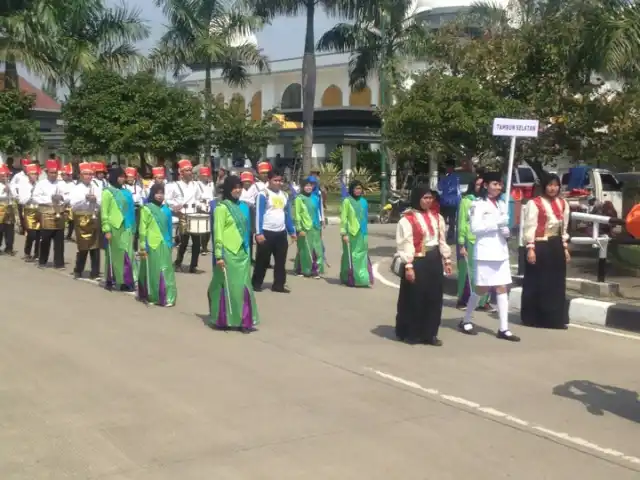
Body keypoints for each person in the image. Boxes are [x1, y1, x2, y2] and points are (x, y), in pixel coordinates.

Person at [459, 171, 520, 342]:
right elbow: (475, 229)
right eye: (495, 184)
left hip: (500, 251)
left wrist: (506, 231)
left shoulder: (502, 204)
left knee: (502, 288)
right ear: (486, 185)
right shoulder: (477, 205)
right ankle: (466, 319)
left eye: (500, 184)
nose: (498, 187)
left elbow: (503, 230)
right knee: (481, 289)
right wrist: (496, 224)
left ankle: (504, 328)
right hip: (485, 252)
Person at [395, 186, 453, 345]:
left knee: (434, 296)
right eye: (425, 198)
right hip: (417, 260)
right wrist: (408, 265)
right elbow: (404, 244)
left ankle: (430, 333)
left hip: (434, 259)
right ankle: (411, 332)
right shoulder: (407, 219)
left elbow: (442, 240)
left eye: (430, 198)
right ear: (417, 198)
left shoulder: (437, 218)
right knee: (415, 296)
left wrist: (446, 259)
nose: (428, 201)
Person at [208, 175, 259, 331]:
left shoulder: (244, 207)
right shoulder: (221, 208)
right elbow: (218, 233)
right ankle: (225, 319)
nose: (238, 190)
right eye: (235, 187)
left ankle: (244, 320)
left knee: (244, 286)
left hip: (243, 253)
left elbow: (248, 231)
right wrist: (219, 255)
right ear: (229, 189)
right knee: (229, 286)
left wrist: (249, 251)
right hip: (228, 253)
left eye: (240, 187)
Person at [521, 173, 570, 329]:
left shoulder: (563, 203)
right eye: (549, 185)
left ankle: (555, 318)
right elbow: (530, 227)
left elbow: (564, 228)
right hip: (540, 245)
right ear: (543, 186)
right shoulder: (534, 203)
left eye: (555, 185)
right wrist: (530, 248)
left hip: (556, 245)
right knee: (538, 282)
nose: (552, 188)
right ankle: (534, 317)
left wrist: (565, 248)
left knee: (556, 283)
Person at [252, 169, 296, 293]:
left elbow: (287, 215)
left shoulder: (284, 195)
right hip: (266, 232)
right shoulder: (263, 194)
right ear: (269, 180)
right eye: (275, 180)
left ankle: (279, 285)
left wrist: (292, 231)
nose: (278, 183)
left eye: (279, 180)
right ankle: (256, 283)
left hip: (280, 233)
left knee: (281, 261)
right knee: (263, 260)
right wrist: (258, 232)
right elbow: (259, 214)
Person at [456, 175, 493, 311]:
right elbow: (461, 223)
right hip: (470, 240)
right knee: (468, 271)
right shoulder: (466, 201)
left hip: (486, 241)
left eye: (483, 185)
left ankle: (483, 302)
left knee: (485, 271)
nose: (481, 188)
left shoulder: (489, 202)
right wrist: (461, 243)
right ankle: (463, 300)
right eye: (478, 185)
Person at [138, 183, 177, 307]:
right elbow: (143, 227)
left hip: (165, 243)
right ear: (152, 194)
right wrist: (143, 244)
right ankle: (154, 296)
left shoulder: (166, 210)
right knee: (154, 270)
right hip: (152, 244)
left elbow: (170, 227)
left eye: (162, 193)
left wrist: (170, 242)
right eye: (157, 193)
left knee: (166, 269)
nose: (160, 196)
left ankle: (169, 297)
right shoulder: (147, 209)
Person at [101, 167, 137, 291]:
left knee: (128, 253)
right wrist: (106, 229)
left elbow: (131, 210)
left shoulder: (127, 192)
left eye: (124, 176)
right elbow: (104, 212)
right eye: (120, 176)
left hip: (127, 227)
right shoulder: (107, 192)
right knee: (116, 255)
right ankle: (114, 279)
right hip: (114, 227)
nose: (122, 179)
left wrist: (133, 227)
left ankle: (127, 280)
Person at [166, 159, 204, 273]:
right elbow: (167, 200)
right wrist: (174, 206)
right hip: (182, 215)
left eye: (190, 170)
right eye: (187, 170)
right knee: (184, 241)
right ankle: (178, 263)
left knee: (197, 243)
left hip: (194, 215)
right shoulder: (173, 186)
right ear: (181, 172)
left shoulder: (196, 185)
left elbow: (199, 198)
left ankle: (193, 266)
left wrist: (200, 205)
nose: (190, 172)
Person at [32, 159, 68, 269]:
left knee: (59, 240)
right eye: (51, 172)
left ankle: (59, 263)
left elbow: (69, 196)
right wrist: (49, 199)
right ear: (47, 173)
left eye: (55, 173)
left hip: (59, 212)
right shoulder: (41, 184)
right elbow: (35, 197)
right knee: (45, 239)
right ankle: (42, 261)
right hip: (46, 212)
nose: (53, 175)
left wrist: (61, 197)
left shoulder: (62, 184)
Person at [70, 162, 101, 279]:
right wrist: (85, 199)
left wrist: (95, 200)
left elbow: (102, 203)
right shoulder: (77, 189)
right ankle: (78, 269)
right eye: (86, 174)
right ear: (81, 175)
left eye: (90, 174)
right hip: (82, 217)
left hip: (94, 216)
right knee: (83, 246)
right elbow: (73, 206)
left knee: (95, 246)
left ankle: (95, 272)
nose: (89, 176)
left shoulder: (96, 187)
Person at [340, 180, 373, 287]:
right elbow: (343, 218)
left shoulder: (364, 201)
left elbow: (365, 217)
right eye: (356, 188)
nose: (358, 191)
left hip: (362, 233)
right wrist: (344, 233)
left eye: (360, 188)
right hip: (350, 233)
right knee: (349, 255)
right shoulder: (347, 201)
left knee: (361, 255)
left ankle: (360, 279)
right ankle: (347, 276)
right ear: (351, 189)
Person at [294, 176, 324, 278]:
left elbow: (318, 212)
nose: (308, 188)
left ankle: (316, 269)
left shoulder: (315, 197)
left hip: (315, 227)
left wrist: (320, 223)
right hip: (304, 228)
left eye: (310, 186)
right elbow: (297, 214)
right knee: (305, 249)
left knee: (317, 249)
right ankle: (303, 269)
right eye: (306, 186)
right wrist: (299, 229)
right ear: (302, 187)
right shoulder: (299, 199)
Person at [18, 164, 41, 261]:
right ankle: (27, 252)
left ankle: (37, 254)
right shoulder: (24, 185)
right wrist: (31, 195)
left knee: (39, 234)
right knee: (31, 234)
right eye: (32, 174)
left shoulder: (40, 184)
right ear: (28, 175)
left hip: (39, 210)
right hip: (29, 211)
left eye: (35, 174)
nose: (34, 176)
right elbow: (21, 200)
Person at [438, 165, 461, 244]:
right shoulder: (448, 177)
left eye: (448, 167)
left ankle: (448, 238)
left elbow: (440, 188)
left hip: (450, 202)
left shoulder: (455, 178)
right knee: (444, 221)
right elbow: (440, 188)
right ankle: (444, 237)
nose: (447, 169)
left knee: (450, 221)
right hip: (446, 202)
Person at [197, 166, 215, 254]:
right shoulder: (197, 184)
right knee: (203, 228)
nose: (205, 177)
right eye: (203, 175)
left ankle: (206, 245)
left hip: (210, 206)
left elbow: (212, 195)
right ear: (200, 176)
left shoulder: (211, 184)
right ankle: (203, 246)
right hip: (201, 206)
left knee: (209, 229)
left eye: (207, 175)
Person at [0, 163, 16, 255]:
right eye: (2, 176)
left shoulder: (11, 185)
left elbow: (15, 196)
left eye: (6, 175)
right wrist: (3, 192)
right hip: (0, 207)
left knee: (9, 229)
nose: (4, 178)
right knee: (0, 228)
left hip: (9, 208)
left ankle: (9, 247)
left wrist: (10, 190)